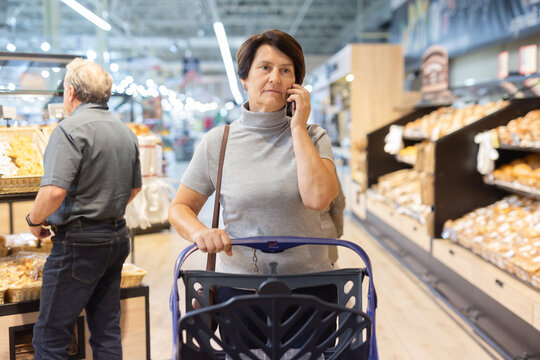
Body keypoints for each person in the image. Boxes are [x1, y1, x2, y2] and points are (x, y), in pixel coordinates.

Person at [169, 29, 338, 281]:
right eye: (265, 68)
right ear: (244, 78)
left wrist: (298, 128)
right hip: (240, 287)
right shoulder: (219, 141)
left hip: (309, 286)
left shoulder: (314, 136)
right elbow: (179, 208)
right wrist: (200, 233)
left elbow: (318, 199)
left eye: (285, 70)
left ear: (296, 83)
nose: (274, 78)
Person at [27, 58, 142, 360]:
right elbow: (134, 189)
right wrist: (105, 204)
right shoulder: (126, 133)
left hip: (78, 244)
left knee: (50, 337)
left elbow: (53, 191)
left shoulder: (68, 130)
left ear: (70, 92)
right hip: (116, 238)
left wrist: (34, 219)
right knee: (106, 333)